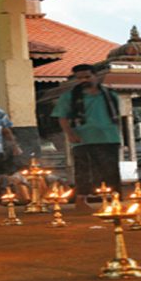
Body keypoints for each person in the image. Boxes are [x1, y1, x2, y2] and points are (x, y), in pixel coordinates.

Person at [51, 64, 121, 211]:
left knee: (111, 170)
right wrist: (70, 134)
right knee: (84, 171)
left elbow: (118, 116)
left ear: (96, 76)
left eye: (87, 77)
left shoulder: (110, 95)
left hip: (109, 137)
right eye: (79, 78)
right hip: (83, 139)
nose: (84, 80)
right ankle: (81, 200)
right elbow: (62, 117)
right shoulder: (69, 97)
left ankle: (114, 199)